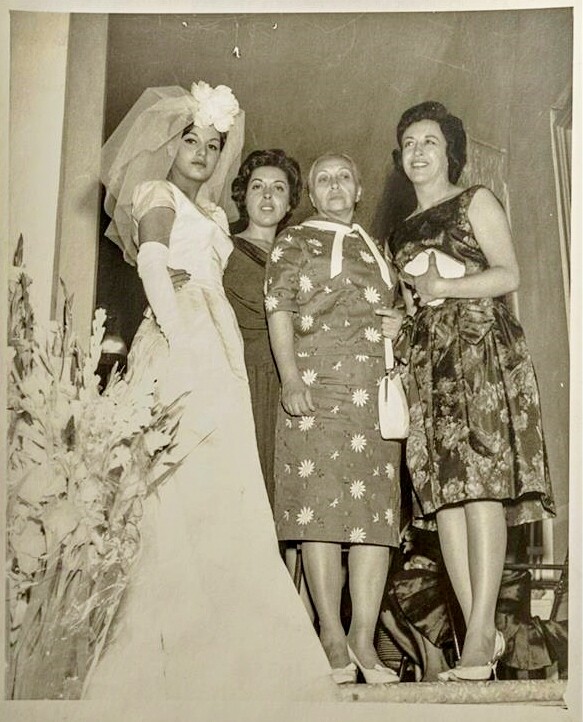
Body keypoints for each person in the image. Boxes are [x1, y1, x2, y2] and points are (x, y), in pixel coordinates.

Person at [83, 81, 339, 701]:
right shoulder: (157, 193)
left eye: (212, 144)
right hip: (185, 337)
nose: (200, 153)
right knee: (180, 479)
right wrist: (178, 337)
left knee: (225, 484)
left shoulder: (218, 216)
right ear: (169, 145)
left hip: (218, 338)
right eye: (190, 140)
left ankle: (229, 643)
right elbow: (152, 262)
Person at [388, 100, 555, 682]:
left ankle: (483, 633)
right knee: (445, 499)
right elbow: (414, 304)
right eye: (409, 143)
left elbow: (509, 274)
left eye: (429, 141)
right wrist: (400, 320)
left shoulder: (475, 200)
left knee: (480, 489)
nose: (418, 152)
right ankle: (475, 634)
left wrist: (444, 286)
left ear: (449, 152)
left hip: (480, 353)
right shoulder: (398, 233)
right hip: (430, 365)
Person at [265, 152, 404, 685]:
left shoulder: (378, 248)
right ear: (311, 195)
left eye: (345, 176)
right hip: (315, 391)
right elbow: (278, 309)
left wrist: (398, 322)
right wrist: (291, 379)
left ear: (359, 189)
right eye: (323, 179)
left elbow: (397, 310)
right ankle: (330, 638)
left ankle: (363, 641)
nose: (335, 185)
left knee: (374, 521)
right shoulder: (294, 242)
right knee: (317, 515)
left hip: (372, 398)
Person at [223, 149, 302, 506]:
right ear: (243, 196)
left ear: (290, 202)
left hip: (291, 383)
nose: (268, 196)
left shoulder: (301, 255)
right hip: (241, 379)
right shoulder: (223, 248)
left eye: (278, 188)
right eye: (257, 186)